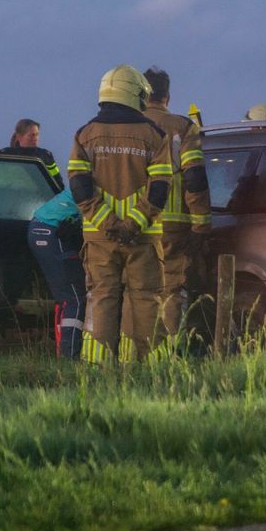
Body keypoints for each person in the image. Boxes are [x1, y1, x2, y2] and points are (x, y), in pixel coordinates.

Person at [68, 64, 172, 363]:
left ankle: (100, 368)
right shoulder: (155, 136)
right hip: (143, 239)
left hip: (100, 239)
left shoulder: (85, 134)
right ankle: (150, 367)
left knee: (102, 299)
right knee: (146, 300)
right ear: (136, 94)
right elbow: (160, 187)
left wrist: (108, 224)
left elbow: (80, 187)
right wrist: (134, 224)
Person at [142, 67, 212, 344]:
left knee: (138, 290)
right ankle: (172, 352)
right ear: (167, 97)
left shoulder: (129, 127)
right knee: (171, 290)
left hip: (134, 224)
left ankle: (139, 352)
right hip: (174, 226)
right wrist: (201, 225)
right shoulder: (182, 128)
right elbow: (194, 178)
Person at [28, 188, 85, 359]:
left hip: (42, 226)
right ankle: (70, 356)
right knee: (75, 298)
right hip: (53, 230)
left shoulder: (92, 174)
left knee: (66, 298)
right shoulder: (103, 181)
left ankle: (64, 351)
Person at [0, 118, 63, 188]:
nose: (36, 138)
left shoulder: (46, 156)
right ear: (19, 137)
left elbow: (57, 182)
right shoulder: (6, 154)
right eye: (31, 135)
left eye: (37, 134)